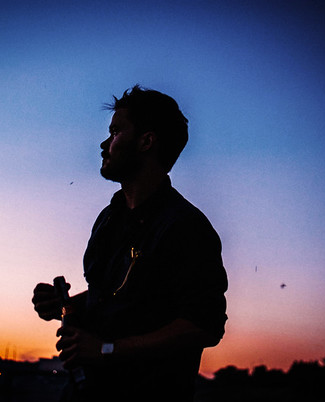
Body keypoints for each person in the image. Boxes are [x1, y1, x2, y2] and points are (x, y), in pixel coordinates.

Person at [32, 86, 227, 401]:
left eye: (115, 132)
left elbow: (204, 325)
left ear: (146, 141)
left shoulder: (186, 227)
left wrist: (106, 350)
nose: (104, 144)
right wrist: (64, 305)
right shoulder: (109, 218)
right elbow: (111, 298)